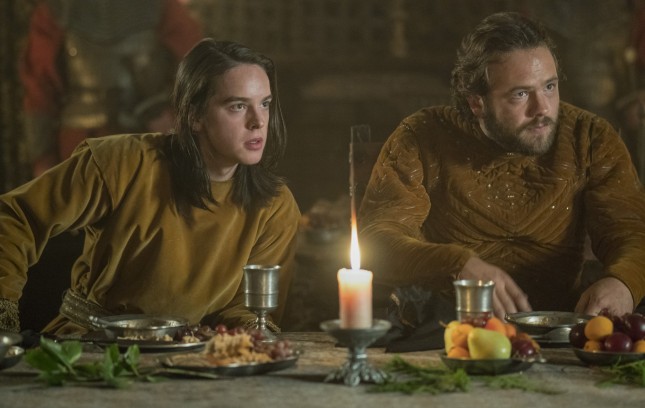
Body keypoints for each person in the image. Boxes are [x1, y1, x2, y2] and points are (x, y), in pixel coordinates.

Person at [0, 39, 300, 337]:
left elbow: (246, 310)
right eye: (238, 106)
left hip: (190, 355)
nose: (258, 122)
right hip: (89, 346)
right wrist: (3, 316)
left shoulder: (274, 206)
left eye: (264, 104)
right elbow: (15, 217)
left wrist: (253, 334)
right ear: (194, 115)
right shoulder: (122, 162)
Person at [359, 12, 645, 321]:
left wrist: (623, 283)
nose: (543, 108)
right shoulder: (421, 136)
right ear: (476, 103)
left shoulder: (589, 137)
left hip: (560, 326)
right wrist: (456, 264)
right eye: (520, 94)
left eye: (549, 87)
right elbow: (377, 241)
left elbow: (630, 233)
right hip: (449, 328)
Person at [20, 0, 203, 177]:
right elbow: (39, 87)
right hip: (80, 142)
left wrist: (170, 119)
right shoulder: (57, 9)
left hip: (149, 139)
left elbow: (197, 72)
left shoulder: (162, 6)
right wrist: (43, 160)